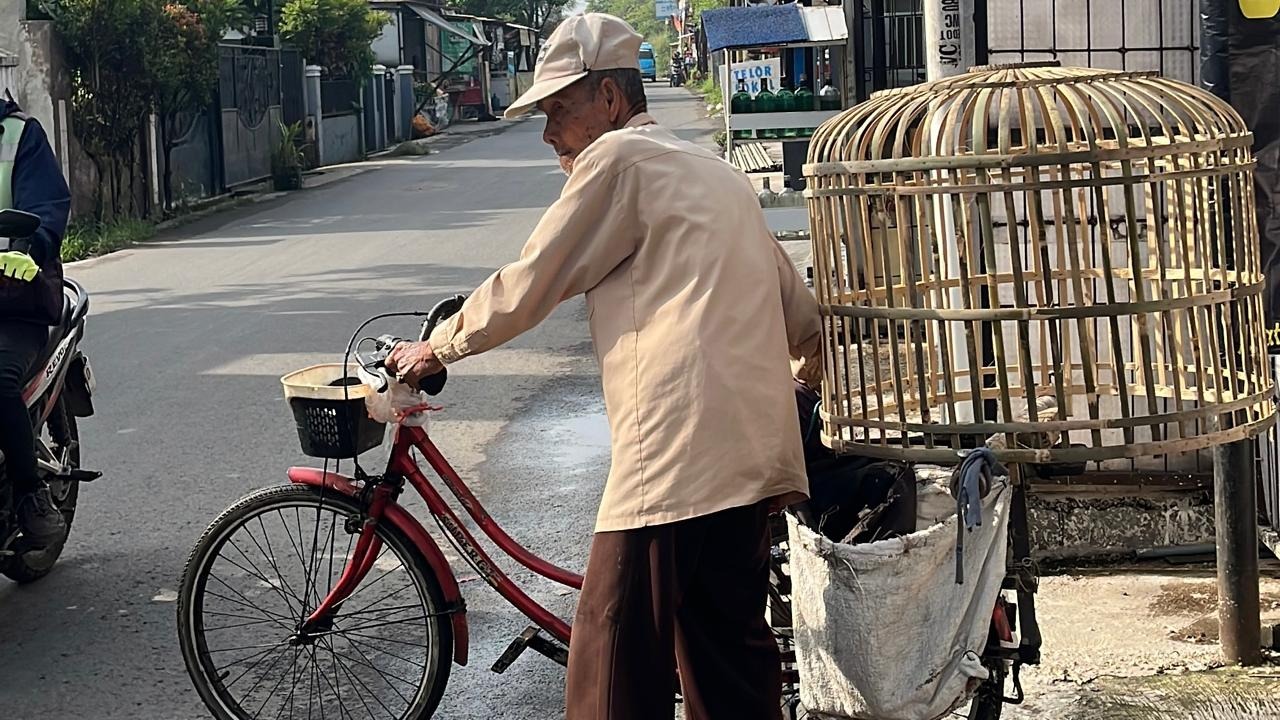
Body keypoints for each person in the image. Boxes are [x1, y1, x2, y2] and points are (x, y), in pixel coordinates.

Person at [387, 13, 821, 719]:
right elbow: (800, 314)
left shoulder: (617, 162)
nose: (549, 132)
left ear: (612, 100)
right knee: (727, 657)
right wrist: (805, 383)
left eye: (560, 108)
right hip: (755, 450)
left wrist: (438, 346)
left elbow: (534, 279)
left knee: (611, 653)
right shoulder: (714, 173)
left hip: (676, 452)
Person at [0, 93, 71, 544]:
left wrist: (28, 249)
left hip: (11, 301)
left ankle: (29, 492)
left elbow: (46, 207)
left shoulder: (19, 135)